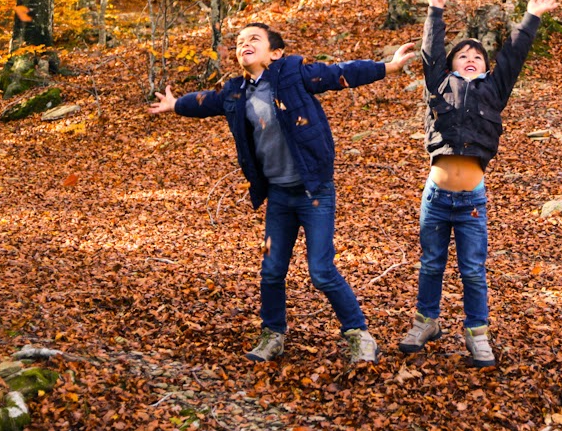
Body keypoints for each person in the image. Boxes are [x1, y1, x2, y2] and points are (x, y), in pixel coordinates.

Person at [149, 23, 415, 364]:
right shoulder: (236, 92)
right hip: (278, 197)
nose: (244, 44)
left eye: (253, 39)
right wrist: (177, 105)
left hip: (314, 192)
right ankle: (273, 335)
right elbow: (207, 102)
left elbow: (338, 74)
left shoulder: (294, 74)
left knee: (321, 271)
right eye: (240, 42)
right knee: (272, 271)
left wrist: (389, 66)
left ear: (275, 53)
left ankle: (359, 334)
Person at [398, 0, 558, 367]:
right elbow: (431, 52)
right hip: (435, 198)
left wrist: (531, 17)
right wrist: (435, 9)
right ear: (451, 65)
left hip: (471, 201)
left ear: (486, 67)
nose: (470, 59)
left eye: (477, 57)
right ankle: (426, 322)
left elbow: (514, 57)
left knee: (472, 270)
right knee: (432, 263)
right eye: (462, 56)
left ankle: (477, 334)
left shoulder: (493, 89)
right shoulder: (439, 85)